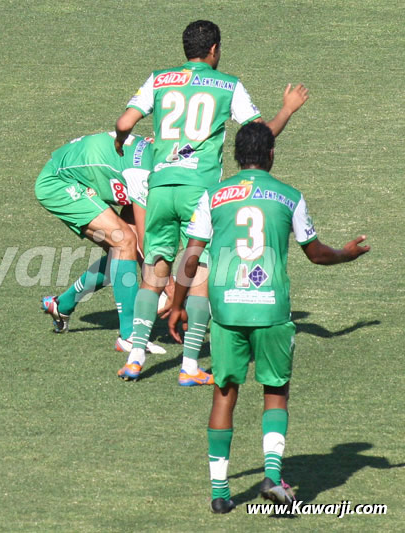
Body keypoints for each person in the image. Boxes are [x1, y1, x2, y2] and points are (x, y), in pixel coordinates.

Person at [167, 122, 369, 513]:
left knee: (224, 392)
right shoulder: (290, 196)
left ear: (236, 157)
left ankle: (220, 493)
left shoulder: (213, 196)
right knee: (275, 391)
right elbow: (316, 253)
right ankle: (273, 476)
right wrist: (346, 254)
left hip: (226, 310)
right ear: (272, 154)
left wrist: (177, 304)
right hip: (271, 309)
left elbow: (191, 256)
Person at [112, 19, 310, 385]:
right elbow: (260, 134)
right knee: (200, 272)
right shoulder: (228, 85)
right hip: (199, 191)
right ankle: (189, 365)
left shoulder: (159, 79)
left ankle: (135, 357)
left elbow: (125, 122)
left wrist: (121, 141)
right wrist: (288, 109)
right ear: (215, 49)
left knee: (155, 268)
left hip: (161, 188)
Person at [36, 131, 162, 354]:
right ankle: (129, 336)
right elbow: (145, 243)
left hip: (84, 175)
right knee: (124, 242)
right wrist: (167, 287)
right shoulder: (144, 171)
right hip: (59, 183)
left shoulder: (159, 161)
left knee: (123, 256)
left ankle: (61, 305)